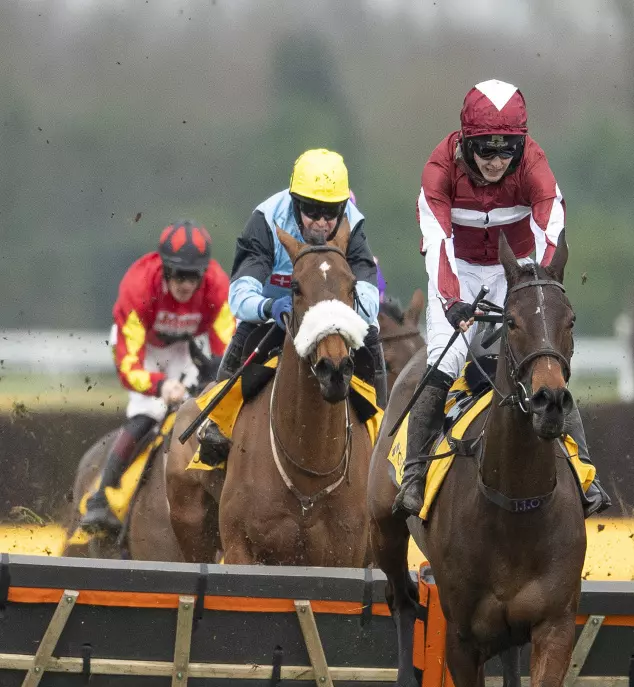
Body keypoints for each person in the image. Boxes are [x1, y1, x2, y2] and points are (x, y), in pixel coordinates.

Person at [398, 79, 610, 517]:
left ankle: (584, 474)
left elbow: (553, 228)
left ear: (522, 144)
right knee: (446, 360)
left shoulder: (534, 164)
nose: (497, 162)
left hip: (515, 270)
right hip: (456, 267)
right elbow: (437, 244)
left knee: (542, 357)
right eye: (486, 150)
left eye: (508, 150)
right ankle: (414, 475)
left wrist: (543, 284)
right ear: (466, 140)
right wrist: (453, 302)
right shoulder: (438, 169)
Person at [196, 148, 385, 461]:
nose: (321, 222)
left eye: (330, 212)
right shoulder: (265, 221)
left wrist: (338, 310)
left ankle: (383, 434)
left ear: (342, 207)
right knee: (246, 330)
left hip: (333, 313)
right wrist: (269, 307)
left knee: (371, 333)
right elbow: (240, 294)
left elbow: (368, 295)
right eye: (312, 210)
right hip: (277, 309)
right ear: (295, 203)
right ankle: (217, 424)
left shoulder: (352, 223)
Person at [80, 220, 232, 532]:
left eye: (193, 275)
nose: (186, 284)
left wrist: (213, 382)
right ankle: (100, 497)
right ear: (164, 268)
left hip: (186, 347)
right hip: (142, 350)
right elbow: (129, 367)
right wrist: (159, 385)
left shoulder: (218, 286)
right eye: (178, 274)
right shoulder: (138, 287)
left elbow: (225, 353)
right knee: (151, 411)